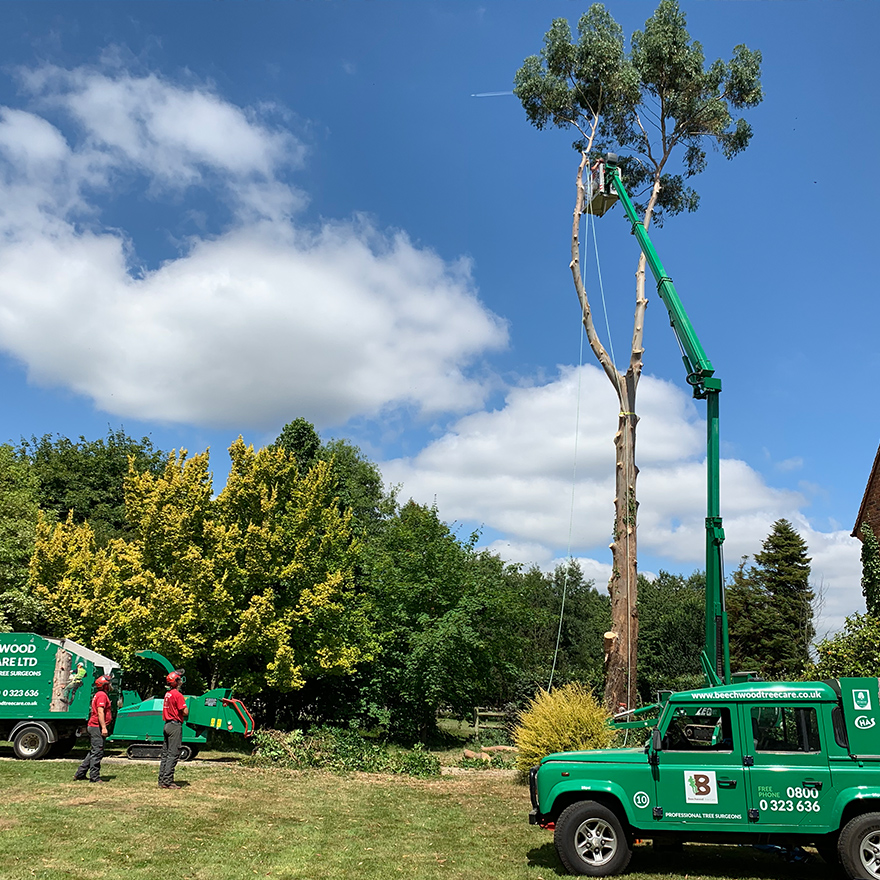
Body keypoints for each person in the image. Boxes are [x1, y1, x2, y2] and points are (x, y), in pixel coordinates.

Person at [73, 675, 113, 783]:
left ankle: (80, 773)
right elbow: (100, 712)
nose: (110, 686)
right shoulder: (102, 696)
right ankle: (94, 777)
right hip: (97, 727)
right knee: (98, 752)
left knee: (93, 751)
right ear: (104, 686)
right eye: (109, 684)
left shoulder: (100, 694)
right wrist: (104, 727)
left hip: (94, 726)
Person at [158, 670, 188, 789]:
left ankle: (162, 780)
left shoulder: (168, 694)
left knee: (165, 754)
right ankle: (168, 781)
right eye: (179, 679)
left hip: (167, 725)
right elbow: (185, 711)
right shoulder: (177, 695)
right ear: (176, 682)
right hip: (175, 725)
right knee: (173, 754)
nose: (181, 681)